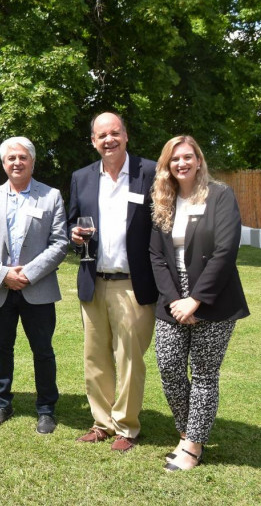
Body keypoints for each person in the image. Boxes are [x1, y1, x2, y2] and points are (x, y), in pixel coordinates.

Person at [149, 135, 249, 471]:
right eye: (174, 159)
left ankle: (192, 445)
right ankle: (186, 431)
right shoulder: (164, 199)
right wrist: (177, 301)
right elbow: (156, 254)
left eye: (188, 157)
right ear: (167, 165)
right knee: (169, 369)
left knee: (205, 375)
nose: (182, 163)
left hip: (214, 302)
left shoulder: (220, 195)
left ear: (199, 160)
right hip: (173, 304)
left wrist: (196, 300)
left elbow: (225, 251)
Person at [67, 112, 158, 452]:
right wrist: (74, 234)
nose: (109, 140)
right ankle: (102, 423)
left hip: (134, 283)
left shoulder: (148, 172)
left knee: (129, 357)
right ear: (93, 141)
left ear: (126, 135)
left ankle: (127, 427)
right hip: (94, 279)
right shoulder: (82, 177)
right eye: (102, 135)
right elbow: (72, 221)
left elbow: (161, 223)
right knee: (95, 356)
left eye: (115, 133)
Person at [0, 137, 68, 434]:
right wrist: (3, 275)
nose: (17, 162)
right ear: (3, 163)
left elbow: (60, 243)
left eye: (23, 157)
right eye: (11, 158)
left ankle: (46, 409)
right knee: (1, 348)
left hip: (36, 288)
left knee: (43, 350)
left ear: (32, 161)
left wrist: (28, 274)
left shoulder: (50, 196)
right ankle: (2, 404)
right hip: (0, 288)